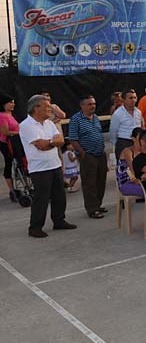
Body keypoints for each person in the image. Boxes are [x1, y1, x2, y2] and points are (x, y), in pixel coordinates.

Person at [20, 95, 77, 237]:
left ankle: (59, 221)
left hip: (55, 164)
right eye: (47, 106)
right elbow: (40, 145)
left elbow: (60, 140)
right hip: (39, 168)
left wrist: (49, 142)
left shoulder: (49, 123)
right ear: (36, 108)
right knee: (41, 198)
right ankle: (35, 227)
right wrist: (53, 142)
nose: (50, 109)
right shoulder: (26, 125)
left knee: (59, 195)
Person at [68, 95, 109, 219]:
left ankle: (98, 204)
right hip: (88, 155)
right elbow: (73, 139)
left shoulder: (95, 117)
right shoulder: (76, 119)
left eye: (94, 104)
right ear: (82, 106)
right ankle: (92, 209)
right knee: (89, 183)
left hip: (100, 154)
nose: (93, 106)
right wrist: (83, 153)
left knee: (100, 181)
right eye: (90, 104)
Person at [109, 89, 144, 161]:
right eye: (130, 98)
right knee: (124, 166)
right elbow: (113, 130)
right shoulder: (118, 114)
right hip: (124, 142)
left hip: (137, 142)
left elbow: (142, 126)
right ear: (123, 100)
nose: (133, 100)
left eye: (135, 98)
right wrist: (117, 143)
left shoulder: (138, 112)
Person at [0, 95, 20, 201]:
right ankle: (12, 190)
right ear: (4, 104)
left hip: (15, 142)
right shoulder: (2, 116)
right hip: (6, 143)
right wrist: (19, 133)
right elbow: (5, 132)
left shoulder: (11, 114)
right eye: (10, 102)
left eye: (13, 102)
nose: (13, 104)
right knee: (9, 163)